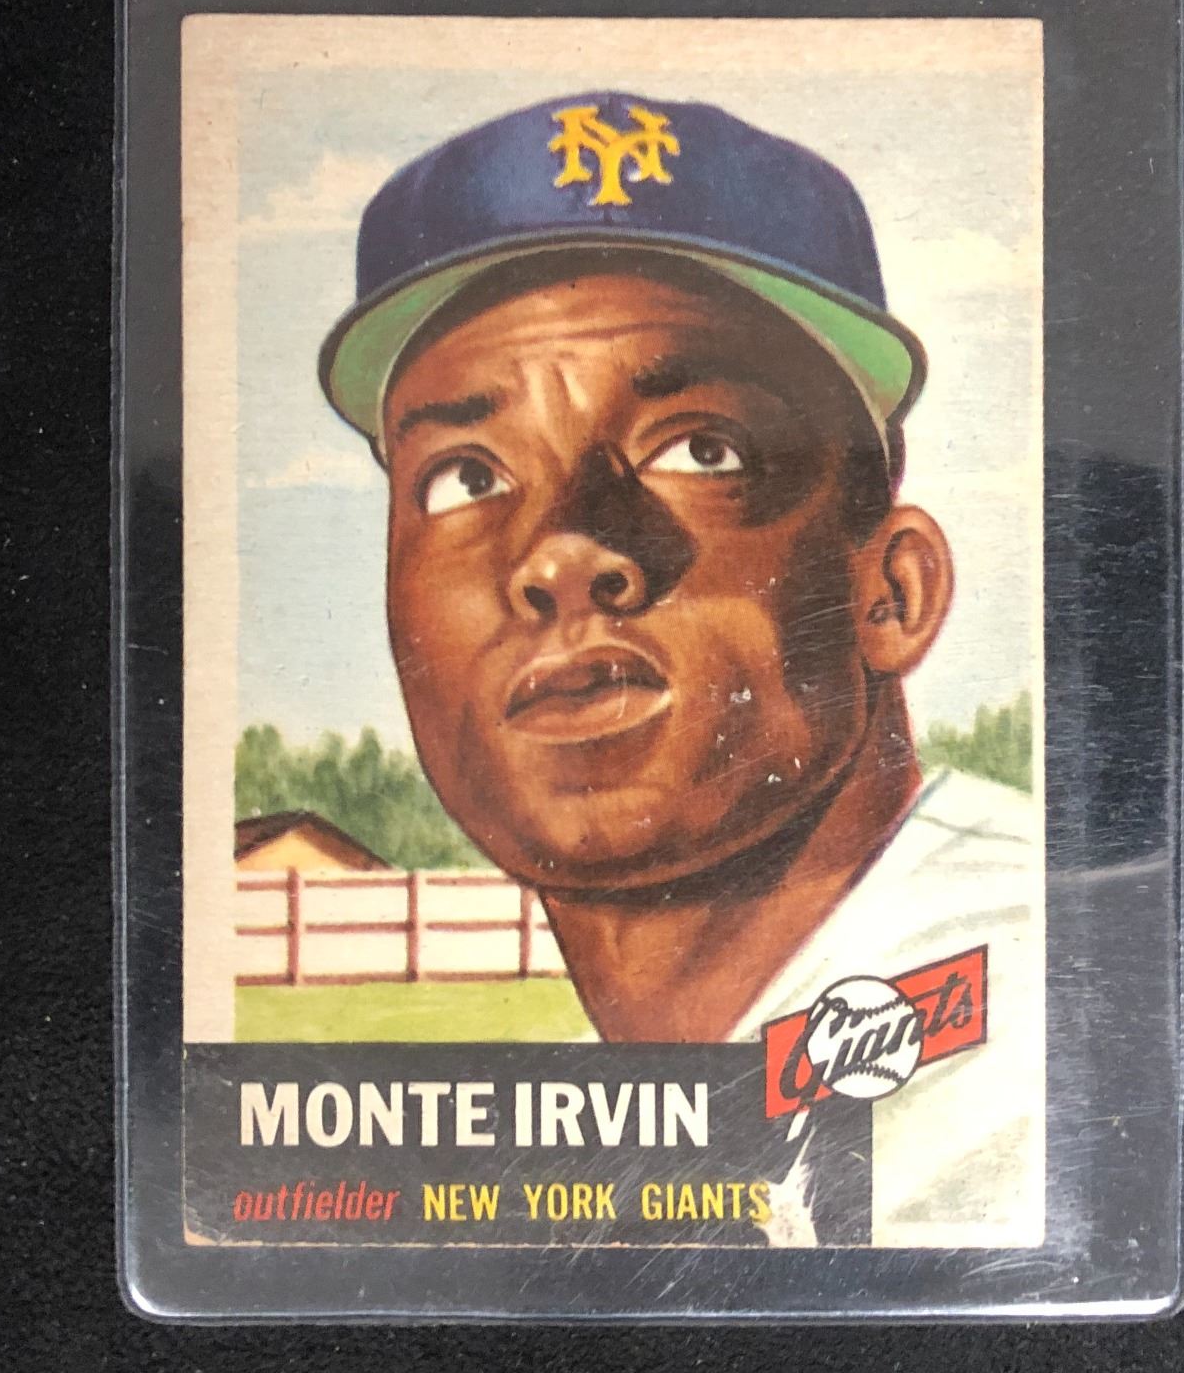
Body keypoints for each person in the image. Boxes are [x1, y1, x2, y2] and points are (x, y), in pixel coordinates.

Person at [320, 94, 1043, 1244]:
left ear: (890, 593)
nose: (562, 553)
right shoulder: (622, 1107)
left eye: (702, 449)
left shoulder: (1035, 1022)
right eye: (467, 476)